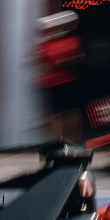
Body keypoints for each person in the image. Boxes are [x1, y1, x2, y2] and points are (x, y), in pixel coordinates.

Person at [37, 11, 83, 142]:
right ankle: (58, 140)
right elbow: (45, 62)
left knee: (72, 112)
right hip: (53, 83)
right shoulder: (47, 45)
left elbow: (77, 58)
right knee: (56, 115)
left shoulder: (72, 41)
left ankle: (74, 139)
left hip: (68, 81)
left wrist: (62, 63)